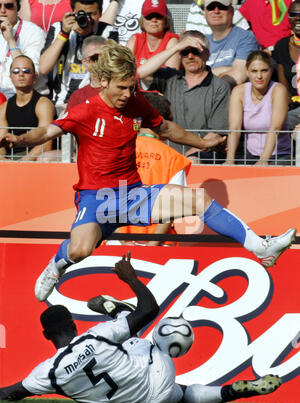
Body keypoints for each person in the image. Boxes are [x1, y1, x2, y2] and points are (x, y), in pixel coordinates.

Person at [0, 40, 295, 303]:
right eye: (122, 88)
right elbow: (46, 131)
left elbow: (165, 127)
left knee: (198, 200)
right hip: (97, 199)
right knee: (79, 251)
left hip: (134, 194)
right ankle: (57, 265)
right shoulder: (85, 110)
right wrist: (19, 139)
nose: (129, 94)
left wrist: (202, 143)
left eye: (132, 86)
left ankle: (261, 248)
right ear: (103, 81)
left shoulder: (137, 101)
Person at [0, 253, 282, 403]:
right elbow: (149, 309)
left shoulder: (47, 373)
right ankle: (116, 310)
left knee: (176, 389)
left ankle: (233, 391)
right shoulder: (95, 336)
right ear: (74, 324)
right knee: (144, 331)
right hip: (157, 378)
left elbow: (8, 393)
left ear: (46, 335)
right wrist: (131, 278)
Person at [138, 30, 231, 162]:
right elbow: (141, 72)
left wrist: (185, 157)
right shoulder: (170, 77)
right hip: (168, 152)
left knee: (192, 161)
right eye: (185, 52)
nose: (190, 56)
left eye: (195, 51)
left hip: (202, 153)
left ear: (207, 54)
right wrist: (176, 47)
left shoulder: (220, 87)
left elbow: (215, 134)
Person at [116, 91, 192, 246]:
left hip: (117, 243)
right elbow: (171, 209)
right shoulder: (174, 159)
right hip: (159, 247)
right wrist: (151, 246)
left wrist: (122, 242)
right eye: (171, 121)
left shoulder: (115, 151)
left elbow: (101, 203)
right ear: (161, 122)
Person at [39, 0, 118, 111]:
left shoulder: (109, 32)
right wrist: (64, 34)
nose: (87, 18)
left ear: (100, 13)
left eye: (91, 14)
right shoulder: (59, 28)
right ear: (73, 12)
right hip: (61, 102)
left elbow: (109, 71)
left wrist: (89, 35)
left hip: (94, 103)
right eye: (81, 13)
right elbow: (43, 68)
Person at [224, 50, 291, 166]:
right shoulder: (239, 91)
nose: (259, 76)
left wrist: (263, 160)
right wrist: (229, 160)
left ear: (270, 70)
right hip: (250, 154)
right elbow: (234, 128)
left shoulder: (278, 90)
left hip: (279, 155)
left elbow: (275, 128)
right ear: (247, 71)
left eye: (264, 70)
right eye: (254, 71)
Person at [0, 55, 56, 161]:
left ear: (35, 77)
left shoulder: (43, 104)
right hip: (11, 159)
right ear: (10, 76)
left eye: (26, 70)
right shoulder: (4, 108)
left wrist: (21, 163)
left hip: (36, 161)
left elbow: (45, 144)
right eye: (16, 71)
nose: (21, 74)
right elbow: (1, 145)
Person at [203, 0, 260, 87]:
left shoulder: (246, 38)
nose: (216, 11)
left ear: (232, 11)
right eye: (211, 8)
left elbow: (238, 76)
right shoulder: (201, 42)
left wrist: (204, 74)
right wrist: (227, 69)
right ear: (205, 13)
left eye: (222, 7)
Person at [0, 0, 48, 99]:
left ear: (18, 8)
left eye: (8, 6)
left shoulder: (34, 32)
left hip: (24, 95)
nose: (2, 10)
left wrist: (11, 41)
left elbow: (30, 75)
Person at [126, 0, 180, 73]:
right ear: (142, 20)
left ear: (165, 20)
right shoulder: (135, 40)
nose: (154, 20)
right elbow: (123, 71)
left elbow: (170, 77)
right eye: (149, 16)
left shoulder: (172, 41)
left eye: (159, 16)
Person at [19, 0, 120, 35]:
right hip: (39, 47)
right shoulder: (28, 0)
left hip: (69, 45)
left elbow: (96, 21)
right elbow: (26, 29)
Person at [273, 0, 300, 130]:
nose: (298, 18)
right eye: (293, 14)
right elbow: (284, 88)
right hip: (293, 106)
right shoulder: (281, 46)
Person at [65, 34, 105, 109]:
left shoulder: (120, 90)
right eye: (95, 58)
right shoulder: (78, 97)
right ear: (84, 62)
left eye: (104, 57)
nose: (101, 62)